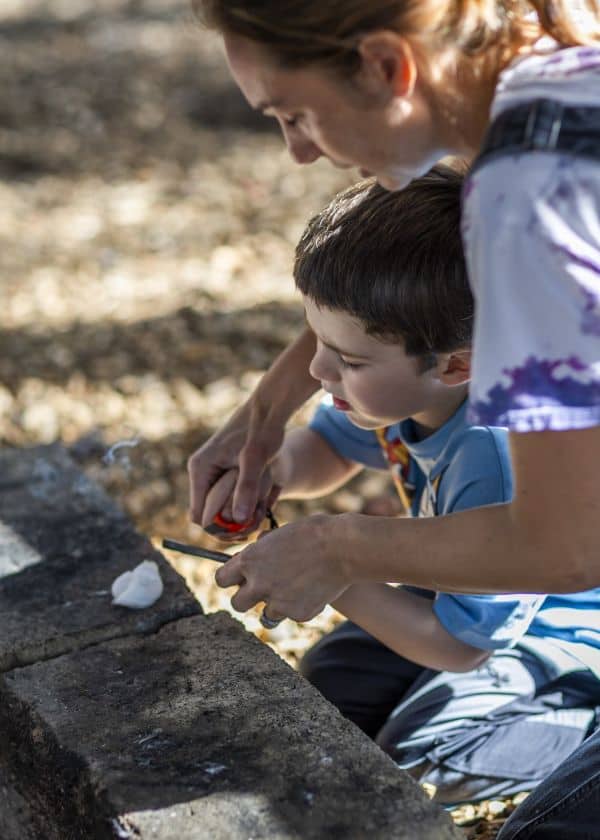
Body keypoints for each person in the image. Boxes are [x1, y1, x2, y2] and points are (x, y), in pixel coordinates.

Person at [187, 3, 600, 836]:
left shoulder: (530, 196)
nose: (298, 151)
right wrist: (266, 419)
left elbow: (568, 546)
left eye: (293, 114)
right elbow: (383, 317)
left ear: (387, 66)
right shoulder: (541, 89)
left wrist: (336, 551)